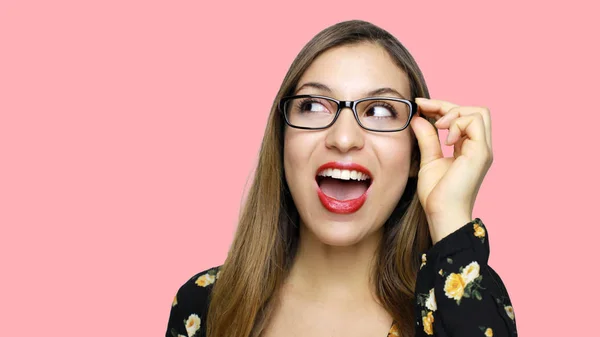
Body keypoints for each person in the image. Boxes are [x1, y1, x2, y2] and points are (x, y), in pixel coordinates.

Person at [166, 20, 518, 337]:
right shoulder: (204, 305)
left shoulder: (456, 301)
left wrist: (450, 218)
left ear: (415, 154)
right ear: (282, 140)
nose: (344, 138)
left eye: (380, 110)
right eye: (314, 106)